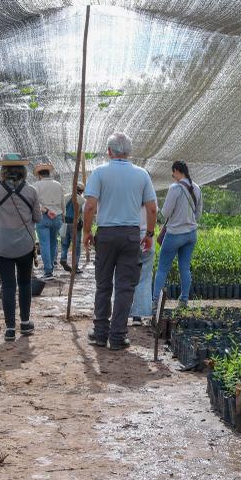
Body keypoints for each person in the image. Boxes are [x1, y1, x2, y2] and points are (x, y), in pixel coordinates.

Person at [82, 133, 157, 350]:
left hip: (105, 235)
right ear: (129, 152)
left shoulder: (100, 173)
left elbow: (89, 206)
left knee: (103, 284)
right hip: (130, 235)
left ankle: (100, 333)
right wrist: (149, 234)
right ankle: (118, 335)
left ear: (109, 151)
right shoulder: (141, 175)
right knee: (125, 287)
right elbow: (152, 208)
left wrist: (87, 231)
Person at [0, 155, 41, 341]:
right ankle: (24, 323)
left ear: (3, 171)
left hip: (2, 246)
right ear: (23, 171)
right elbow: (38, 218)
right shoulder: (31, 191)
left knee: (8, 285)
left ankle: (9, 329)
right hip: (24, 245)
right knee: (24, 283)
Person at [151, 161, 202, 309]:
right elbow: (198, 214)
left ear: (176, 171)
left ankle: (155, 302)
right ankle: (184, 300)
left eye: (173, 173)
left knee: (162, 268)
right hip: (191, 234)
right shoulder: (197, 188)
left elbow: (165, 212)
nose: (173, 177)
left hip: (174, 234)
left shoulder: (175, 188)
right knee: (184, 268)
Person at [32, 162, 65, 279]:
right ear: (48, 173)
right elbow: (62, 203)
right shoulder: (58, 185)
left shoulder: (36, 186)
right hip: (57, 217)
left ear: (39, 175)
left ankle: (48, 271)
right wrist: (62, 216)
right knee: (53, 242)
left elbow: (35, 204)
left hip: (43, 216)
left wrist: (45, 210)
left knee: (44, 244)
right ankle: (51, 266)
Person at [129, 205, 154, 326]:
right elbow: (154, 210)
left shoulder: (126, 191)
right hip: (145, 235)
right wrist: (149, 234)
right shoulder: (147, 189)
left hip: (128, 234)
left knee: (125, 276)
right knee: (143, 277)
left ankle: (122, 312)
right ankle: (137, 316)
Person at [60, 182, 85, 273]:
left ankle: (63, 258)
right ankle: (75, 266)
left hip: (65, 223)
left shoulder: (65, 196)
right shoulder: (82, 200)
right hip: (75, 225)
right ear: (81, 191)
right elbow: (82, 214)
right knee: (76, 246)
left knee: (64, 244)